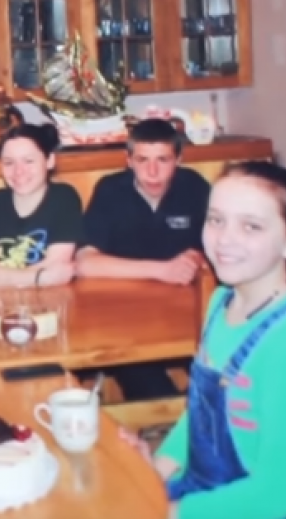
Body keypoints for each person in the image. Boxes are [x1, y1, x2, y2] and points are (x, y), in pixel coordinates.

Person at [125, 161, 286, 519]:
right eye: (216, 220)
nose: (225, 239)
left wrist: (165, 512)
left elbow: (278, 494)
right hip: (205, 493)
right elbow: (200, 416)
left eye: (251, 226)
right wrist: (154, 474)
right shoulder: (221, 301)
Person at [76, 118, 212, 400]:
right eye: (142, 160)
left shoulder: (195, 187)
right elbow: (85, 263)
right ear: (128, 161)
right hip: (123, 318)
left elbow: (218, 251)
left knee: (219, 375)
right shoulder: (111, 190)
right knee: (150, 388)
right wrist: (161, 270)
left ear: (179, 160)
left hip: (184, 315)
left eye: (162, 160)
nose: (152, 171)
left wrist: (198, 256)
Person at [0, 122, 82, 287]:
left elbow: (58, 268)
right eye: (9, 163)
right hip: (1, 301)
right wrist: (39, 278)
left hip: (51, 300)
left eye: (28, 161)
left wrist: (3, 277)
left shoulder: (64, 198)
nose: (18, 171)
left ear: (49, 160)